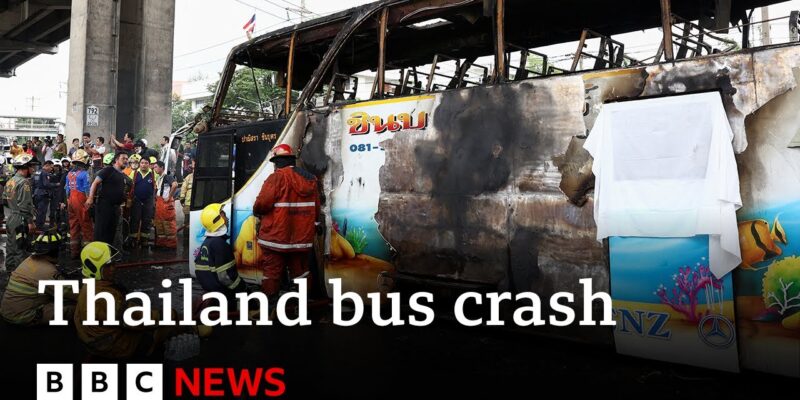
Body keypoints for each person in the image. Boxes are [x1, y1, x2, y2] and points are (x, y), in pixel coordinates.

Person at [74, 242, 189, 359]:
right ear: (94, 269)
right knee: (162, 330)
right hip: (114, 346)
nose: (114, 268)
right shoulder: (101, 296)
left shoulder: (91, 286)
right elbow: (133, 318)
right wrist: (166, 315)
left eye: (114, 263)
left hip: (100, 340)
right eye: (108, 265)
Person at [253, 144, 321, 296]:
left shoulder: (276, 178)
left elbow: (261, 204)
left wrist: (256, 211)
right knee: (301, 272)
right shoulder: (310, 179)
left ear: (277, 162)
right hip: (301, 238)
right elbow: (316, 207)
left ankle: (270, 306)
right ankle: (303, 304)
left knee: (271, 272)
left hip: (276, 237)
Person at [0, 231, 78, 325]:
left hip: (7, 310)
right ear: (55, 252)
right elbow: (73, 293)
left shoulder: (29, 260)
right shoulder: (48, 271)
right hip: (22, 316)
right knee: (74, 307)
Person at [195, 203, 246, 305]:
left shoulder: (208, 242)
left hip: (211, 292)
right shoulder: (220, 245)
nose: (227, 219)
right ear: (217, 221)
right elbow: (227, 278)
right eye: (224, 216)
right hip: (222, 297)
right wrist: (245, 292)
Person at [3, 154, 36, 270]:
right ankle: (19, 274)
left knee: (11, 245)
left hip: (11, 216)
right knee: (20, 247)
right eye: (31, 166)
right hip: (21, 218)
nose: (33, 169)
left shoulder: (10, 181)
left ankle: (10, 270)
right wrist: (30, 222)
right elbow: (25, 205)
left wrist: (14, 207)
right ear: (25, 167)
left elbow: (4, 200)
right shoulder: (24, 182)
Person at [87, 152, 128, 245]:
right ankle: (97, 254)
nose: (126, 161)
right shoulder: (108, 170)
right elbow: (95, 183)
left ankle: (106, 254)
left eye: (126, 159)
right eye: (123, 158)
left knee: (111, 233)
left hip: (115, 208)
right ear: (116, 160)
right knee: (101, 231)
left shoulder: (122, 175)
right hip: (104, 206)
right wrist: (90, 198)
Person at [65, 149, 93, 256]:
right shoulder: (84, 174)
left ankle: (74, 252)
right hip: (81, 200)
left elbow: (67, 189)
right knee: (86, 225)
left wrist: (68, 202)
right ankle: (88, 253)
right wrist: (89, 201)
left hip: (71, 199)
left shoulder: (69, 174)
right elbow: (86, 188)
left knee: (74, 225)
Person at [127, 156, 156, 248]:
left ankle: (145, 240)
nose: (143, 165)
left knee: (147, 220)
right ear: (140, 164)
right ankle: (133, 239)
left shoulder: (153, 174)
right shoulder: (134, 173)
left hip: (148, 200)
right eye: (142, 163)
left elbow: (157, 186)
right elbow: (129, 186)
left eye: (146, 163)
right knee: (135, 219)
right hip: (136, 200)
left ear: (149, 164)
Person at [152, 161, 178, 249]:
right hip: (159, 203)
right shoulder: (159, 178)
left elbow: (175, 185)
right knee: (159, 224)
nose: (154, 168)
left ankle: (170, 245)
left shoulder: (167, 177)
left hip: (165, 203)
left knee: (168, 224)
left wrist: (169, 197)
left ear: (162, 167)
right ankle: (161, 244)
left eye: (156, 167)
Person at [33, 160, 57, 230]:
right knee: (42, 211)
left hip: (36, 193)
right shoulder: (44, 173)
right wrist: (56, 184)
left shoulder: (37, 172)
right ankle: (40, 227)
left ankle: (38, 225)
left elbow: (33, 183)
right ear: (47, 165)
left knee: (38, 211)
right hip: (43, 194)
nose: (51, 169)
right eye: (51, 167)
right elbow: (46, 184)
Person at [179, 159, 195, 227]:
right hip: (188, 203)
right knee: (187, 222)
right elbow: (183, 188)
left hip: (198, 205)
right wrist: (182, 198)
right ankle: (186, 236)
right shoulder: (189, 177)